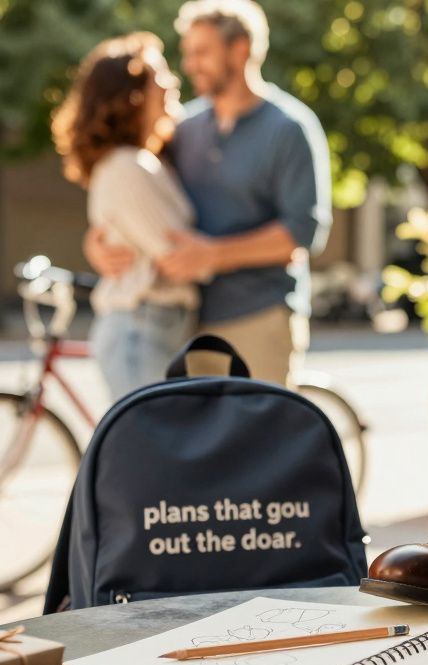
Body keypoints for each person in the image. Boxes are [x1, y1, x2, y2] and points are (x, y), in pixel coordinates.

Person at [85, 0, 331, 386]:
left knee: (257, 427)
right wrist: (97, 244)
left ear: (240, 50)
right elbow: (136, 194)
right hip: (188, 328)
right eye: (188, 53)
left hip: (258, 318)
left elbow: (300, 234)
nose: (190, 65)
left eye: (202, 52)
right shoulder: (184, 127)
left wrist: (212, 255)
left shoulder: (289, 128)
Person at [52, 32, 201, 401]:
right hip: (142, 328)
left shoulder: (146, 161)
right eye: (158, 76)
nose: (171, 82)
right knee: (148, 436)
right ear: (130, 95)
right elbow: (179, 257)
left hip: (150, 327)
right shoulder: (128, 166)